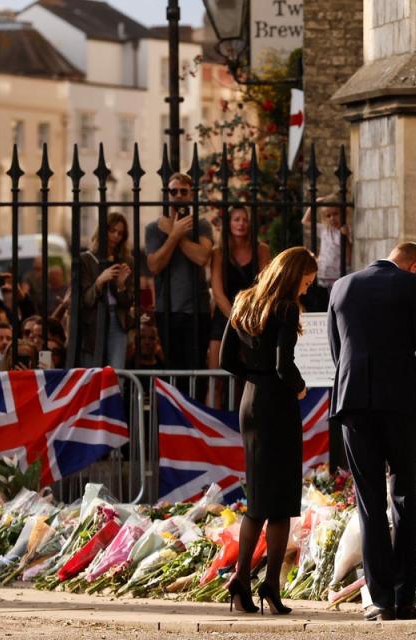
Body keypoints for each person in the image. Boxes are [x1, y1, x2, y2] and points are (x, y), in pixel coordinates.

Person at [327, 242, 416, 622]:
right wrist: (409, 382)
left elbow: (337, 350)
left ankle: (380, 599)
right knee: (405, 495)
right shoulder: (414, 286)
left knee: (369, 499)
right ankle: (404, 596)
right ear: (415, 266)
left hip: (353, 401)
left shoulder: (342, 286)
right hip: (401, 404)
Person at [219, 247, 317, 615]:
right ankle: (271, 586)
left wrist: (255, 380)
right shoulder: (286, 308)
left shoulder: (244, 301)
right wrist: (299, 387)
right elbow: (283, 363)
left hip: (250, 401)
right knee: (282, 502)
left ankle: (241, 580)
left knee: (259, 497)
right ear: (294, 276)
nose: (306, 290)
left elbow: (226, 360)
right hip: (277, 405)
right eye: (306, 282)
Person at [145, 172, 213, 372]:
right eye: (173, 191)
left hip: (197, 309)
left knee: (196, 369)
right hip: (167, 308)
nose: (178, 195)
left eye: (183, 191)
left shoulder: (202, 225)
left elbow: (202, 258)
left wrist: (175, 234)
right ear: (167, 195)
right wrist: (174, 235)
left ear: (191, 196)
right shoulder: (154, 228)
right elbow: (154, 266)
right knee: (172, 369)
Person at [208, 207, 271, 405]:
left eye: (245, 219)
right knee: (215, 378)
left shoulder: (261, 249)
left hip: (252, 317)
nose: (241, 224)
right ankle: (212, 428)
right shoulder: (218, 252)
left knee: (246, 379)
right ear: (228, 223)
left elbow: (264, 286)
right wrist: (235, 318)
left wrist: (247, 319)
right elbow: (217, 292)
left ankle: (242, 426)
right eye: (236, 219)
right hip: (224, 316)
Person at [78, 212, 135, 369]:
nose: (116, 236)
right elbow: (83, 299)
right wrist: (99, 282)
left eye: (120, 233)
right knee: (93, 374)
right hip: (94, 322)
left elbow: (128, 301)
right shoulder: (86, 259)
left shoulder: (126, 260)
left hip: (117, 320)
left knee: (117, 374)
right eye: (112, 231)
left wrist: (121, 286)